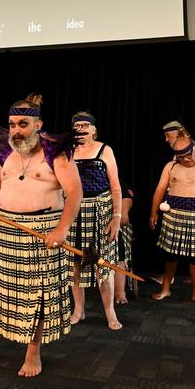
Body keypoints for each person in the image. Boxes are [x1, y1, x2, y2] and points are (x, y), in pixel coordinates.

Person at [0, 94, 82, 377]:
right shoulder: (4, 153)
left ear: (38, 124)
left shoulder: (56, 153)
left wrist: (62, 228)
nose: (16, 130)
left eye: (23, 124)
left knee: (38, 295)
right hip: (3, 229)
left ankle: (33, 351)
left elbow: (75, 192)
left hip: (41, 232)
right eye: (12, 124)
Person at [149, 138, 195, 306]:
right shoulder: (171, 167)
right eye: (181, 157)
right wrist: (153, 212)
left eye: (188, 155)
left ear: (194, 150)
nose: (186, 160)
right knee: (170, 256)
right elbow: (160, 189)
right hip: (173, 216)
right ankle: (165, 289)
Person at [67, 111, 123, 330]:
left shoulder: (104, 149)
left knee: (103, 265)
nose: (80, 129)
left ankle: (110, 313)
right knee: (74, 264)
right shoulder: (67, 151)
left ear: (93, 129)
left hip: (100, 211)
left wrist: (116, 217)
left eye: (85, 125)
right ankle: (78, 310)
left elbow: (116, 187)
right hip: (74, 211)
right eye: (77, 125)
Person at [161, 120, 195, 287]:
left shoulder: (190, 149)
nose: (166, 139)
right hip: (189, 202)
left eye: (168, 135)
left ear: (178, 133)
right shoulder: (184, 147)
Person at [114, 179, 135, 304]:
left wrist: (123, 211)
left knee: (119, 254)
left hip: (114, 221)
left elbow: (127, 196)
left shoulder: (111, 174)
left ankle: (120, 291)